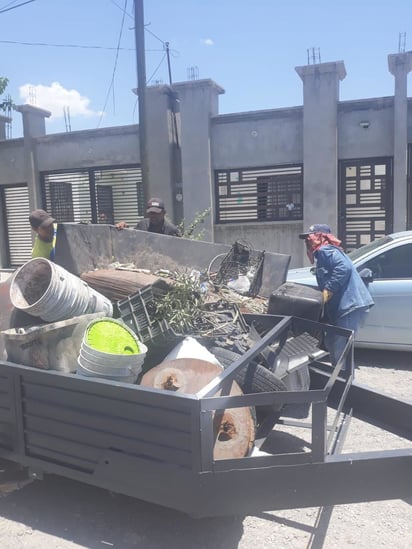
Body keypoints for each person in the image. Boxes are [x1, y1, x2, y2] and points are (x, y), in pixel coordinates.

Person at [299, 223, 374, 367]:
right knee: (332, 342)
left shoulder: (326, 250)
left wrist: (329, 288)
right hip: (344, 307)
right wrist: (326, 315)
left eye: (309, 238)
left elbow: (343, 268)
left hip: (349, 306)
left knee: (340, 348)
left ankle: (343, 383)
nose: (306, 242)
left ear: (320, 238)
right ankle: (338, 379)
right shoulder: (324, 254)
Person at [115, 197, 181, 236]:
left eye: (156, 213)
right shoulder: (142, 225)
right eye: (151, 213)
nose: (153, 216)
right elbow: (132, 238)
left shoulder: (172, 230)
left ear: (163, 213)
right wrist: (124, 228)